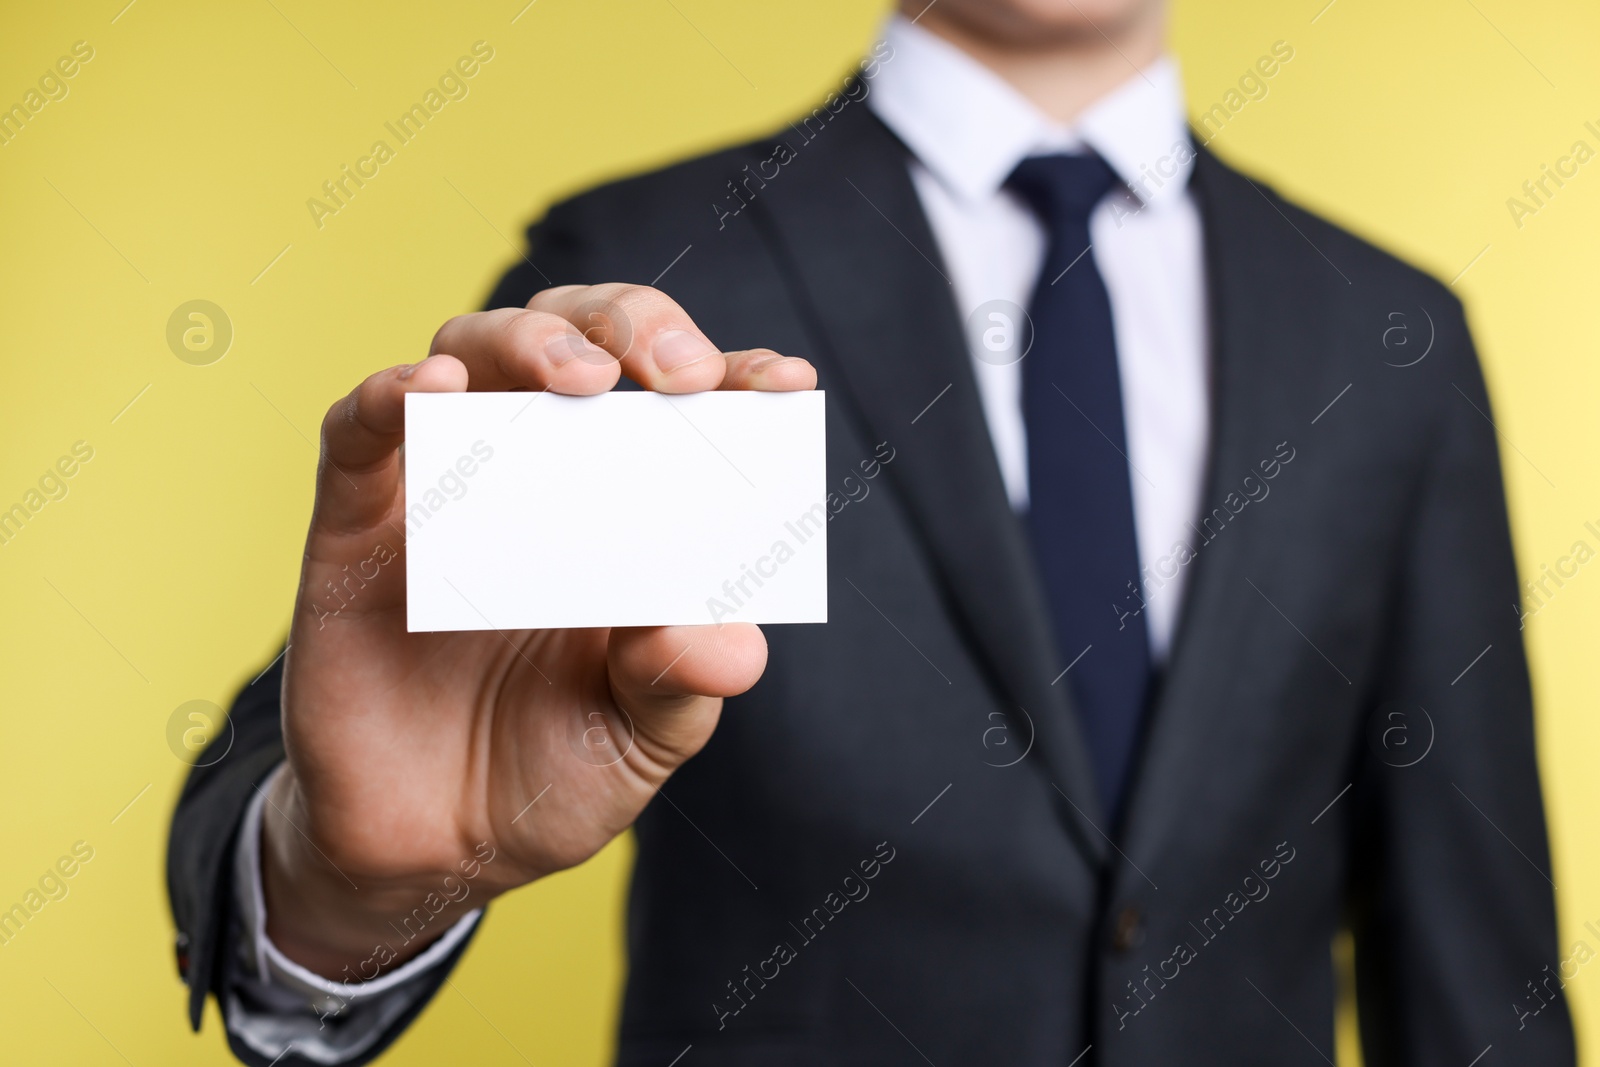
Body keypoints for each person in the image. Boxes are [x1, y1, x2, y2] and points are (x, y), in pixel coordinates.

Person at [168, 0, 1575, 1063]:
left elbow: (1478, 973)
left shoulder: (1388, 338)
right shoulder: (653, 272)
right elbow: (358, 763)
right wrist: (352, 891)